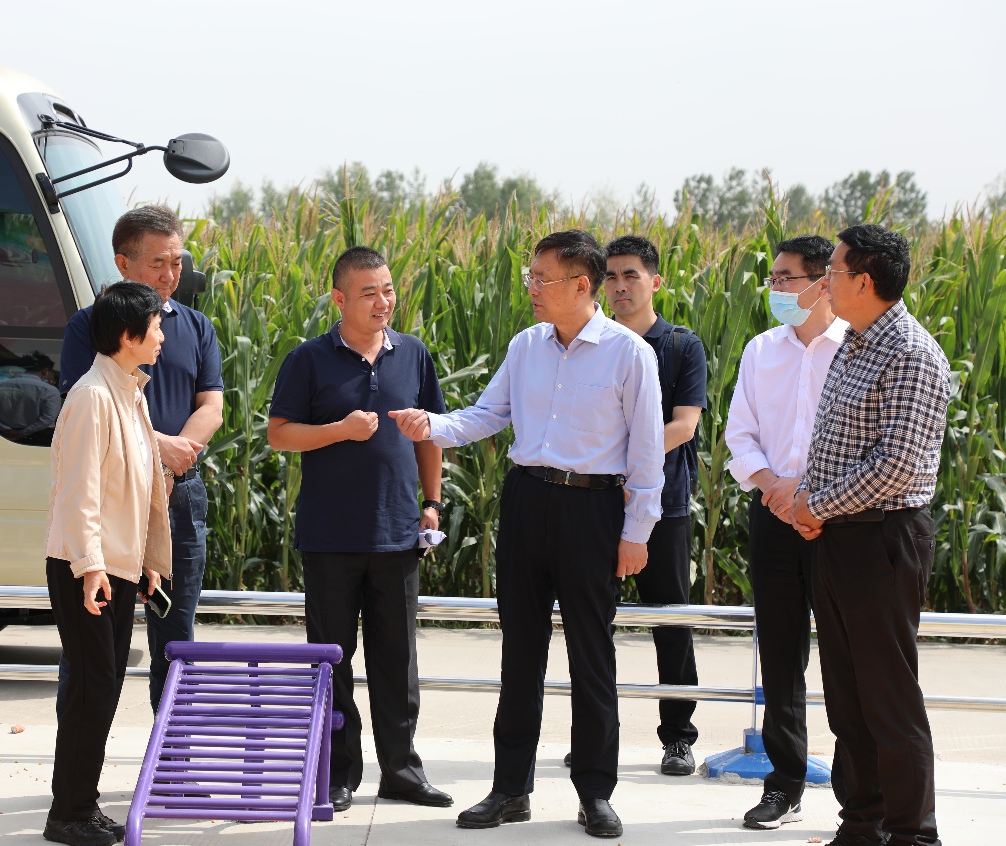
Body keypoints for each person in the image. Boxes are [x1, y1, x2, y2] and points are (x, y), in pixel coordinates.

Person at [391, 230, 664, 838]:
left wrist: (637, 532)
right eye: (530, 277)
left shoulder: (628, 354)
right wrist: (431, 424)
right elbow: (489, 414)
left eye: (543, 279)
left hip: (593, 510)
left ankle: (595, 793)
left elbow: (648, 452)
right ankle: (510, 789)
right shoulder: (526, 345)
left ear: (581, 285)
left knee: (592, 656)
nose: (533, 288)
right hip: (527, 500)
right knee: (520, 653)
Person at [267, 246, 452, 814]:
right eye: (369, 292)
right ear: (339, 298)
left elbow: (429, 434)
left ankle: (402, 771)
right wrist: (339, 430)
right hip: (329, 537)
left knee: (397, 662)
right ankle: (337, 772)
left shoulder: (413, 355)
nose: (383, 301)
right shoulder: (309, 359)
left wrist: (432, 503)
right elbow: (279, 433)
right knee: (332, 661)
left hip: (397, 533)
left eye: (388, 289)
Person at [792, 225, 948, 846]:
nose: (823, 282)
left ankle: (912, 833)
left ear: (863, 281)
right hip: (837, 535)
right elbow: (832, 443)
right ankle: (862, 823)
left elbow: (898, 466)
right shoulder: (853, 344)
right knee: (847, 697)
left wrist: (816, 505)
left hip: (882, 537)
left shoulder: (909, 352)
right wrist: (813, 505)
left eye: (831, 271)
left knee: (888, 697)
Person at [59, 205, 223, 713]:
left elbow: (211, 407)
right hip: (113, 499)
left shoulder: (196, 327)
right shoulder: (89, 327)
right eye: (158, 263)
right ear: (123, 264)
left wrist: (171, 464)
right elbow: (86, 409)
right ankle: (81, 757)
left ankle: (171, 754)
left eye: (177, 262)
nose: (171, 275)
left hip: (180, 496)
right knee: (93, 640)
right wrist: (158, 447)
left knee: (176, 636)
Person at [44, 281, 171, 846]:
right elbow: (81, 493)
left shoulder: (129, 392)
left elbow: (137, 491)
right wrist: (92, 568)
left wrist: (145, 561)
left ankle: (81, 805)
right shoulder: (93, 396)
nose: (162, 335)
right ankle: (67, 814)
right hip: (84, 566)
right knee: (92, 687)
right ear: (127, 334)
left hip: (114, 566)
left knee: (103, 687)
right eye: (155, 325)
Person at [725, 235, 845, 829]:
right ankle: (784, 784)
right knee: (779, 653)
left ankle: (857, 790)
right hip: (773, 516)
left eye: (784, 279)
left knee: (847, 657)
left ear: (822, 283)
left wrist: (811, 498)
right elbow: (739, 432)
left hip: (839, 520)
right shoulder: (760, 350)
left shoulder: (854, 347)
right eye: (771, 279)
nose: (773, 289)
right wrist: (775, 487)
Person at [598, 234, 706, 776]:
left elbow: (684, 425)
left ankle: (678, 737)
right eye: (611, 276)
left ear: (655, 281)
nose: (619, 286)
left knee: (670, 621)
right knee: (595, 622)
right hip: (596, 502)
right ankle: (597, 737)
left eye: (631, 275)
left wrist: (620, 459)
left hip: (664, 502)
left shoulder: (681, 346)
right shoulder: (594, 344)